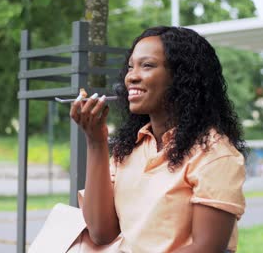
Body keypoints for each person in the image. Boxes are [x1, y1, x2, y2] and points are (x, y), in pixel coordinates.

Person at [68, 26, 246, 253]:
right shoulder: (131, 147)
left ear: (182, 78)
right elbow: (101, 232)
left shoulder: (215, 155)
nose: (131, 76)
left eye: (147, 65)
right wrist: (96, 141)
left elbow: (206, 248)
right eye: (131, 67)